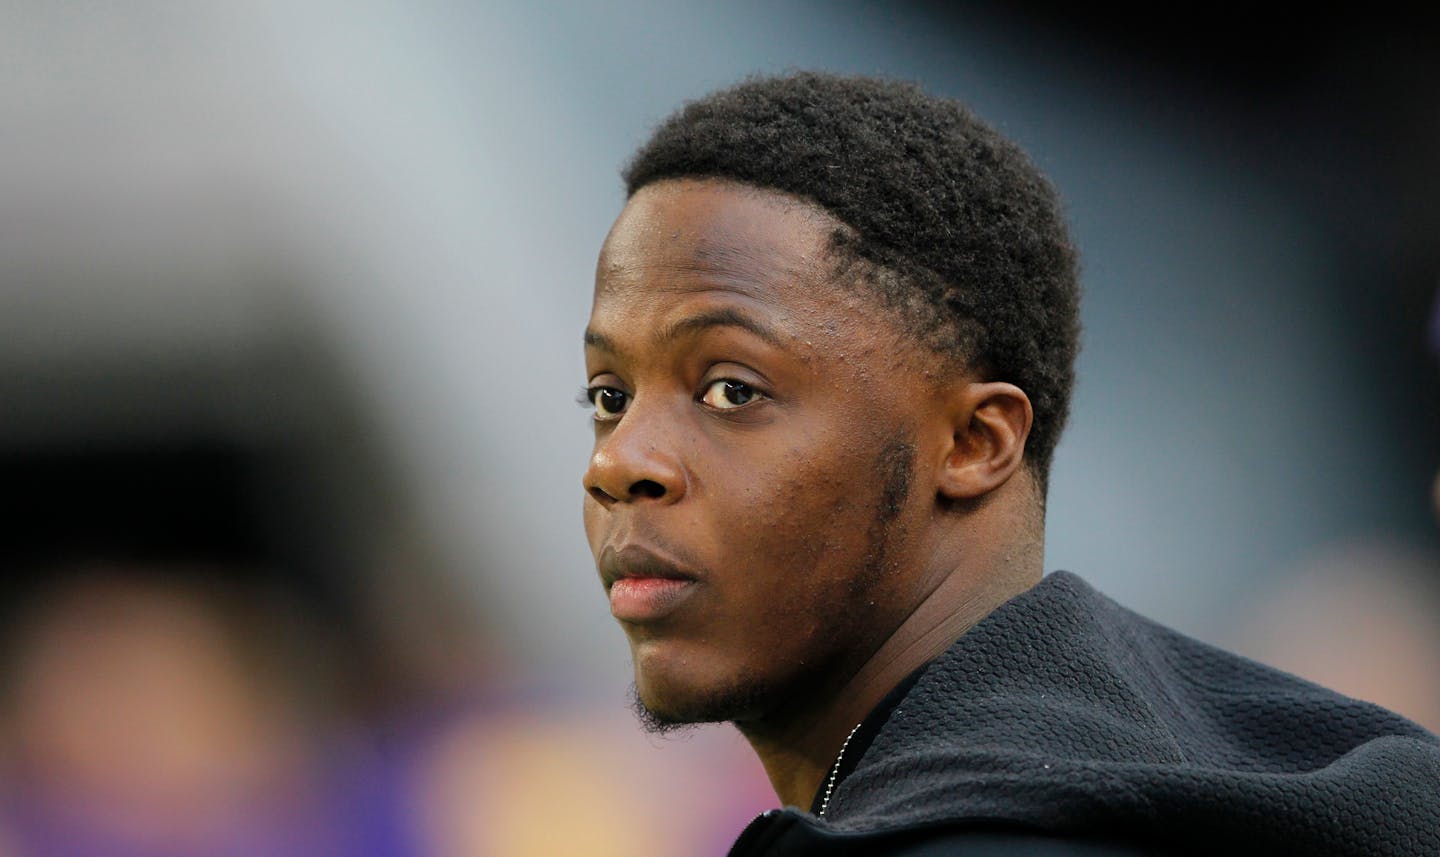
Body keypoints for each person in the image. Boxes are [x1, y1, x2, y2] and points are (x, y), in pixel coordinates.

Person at [579, 72, 1440, 856]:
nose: (620, 462)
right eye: (609, 396)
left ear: (974, 443)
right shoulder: (1222, 766)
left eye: (732, 390)